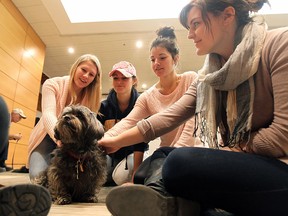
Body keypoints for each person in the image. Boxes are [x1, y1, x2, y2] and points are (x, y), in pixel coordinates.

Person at [99, 0, 288, 216]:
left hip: (280, 169)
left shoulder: (280, 44)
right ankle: (164, 202)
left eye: (195, 24)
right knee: (160, 156)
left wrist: (229, 151)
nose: (190, 34)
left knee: (179, 161)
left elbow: (283, 134)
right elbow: (168, 117)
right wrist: (112, 141)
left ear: (227, 16)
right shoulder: (209, 76)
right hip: (242, 165)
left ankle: (172, 205)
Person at [103, 26, 201, 185]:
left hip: (190, 151)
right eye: (153, 59)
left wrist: (174, 154)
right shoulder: (148, 96)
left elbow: (192, 122)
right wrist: (104, 139)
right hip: (165, 153)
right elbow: (128, 122)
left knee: (173, 175)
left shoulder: (190, 79)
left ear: (175, 59)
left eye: (162, 58)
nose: (156, 63)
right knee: (142, 176)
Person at [28, 54, 102, 182]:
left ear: (95, 79)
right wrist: (58, 138)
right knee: (38, 177)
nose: (86, 76)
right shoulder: (52, 83)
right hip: (48, 135)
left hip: (74, 142)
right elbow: (48, 114)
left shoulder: (92, 97)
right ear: (75, 67)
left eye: (91, 74)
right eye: (83, 70)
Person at [97, 61, 149, 186]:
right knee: (101, 176)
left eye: (125, 78)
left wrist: (135, 176)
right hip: (111, 155)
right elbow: (97, 137)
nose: (119, 82)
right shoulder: (103, 107)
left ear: (134, 80)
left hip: (134, 153)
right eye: (116, 78)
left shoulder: (142, 104)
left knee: (120, 177)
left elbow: (140, 143)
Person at [0, 96, 52, 216]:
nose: (20, 119)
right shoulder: (6, 117)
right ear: (15, 114)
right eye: (20, 117)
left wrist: (11, 136)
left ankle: (2, 164)